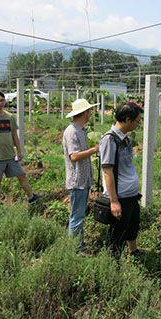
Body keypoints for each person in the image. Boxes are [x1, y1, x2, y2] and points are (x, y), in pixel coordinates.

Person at [99, 101, 143, 258]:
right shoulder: (109, 140)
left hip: (130, 194)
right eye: (138, 120)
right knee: (118, 232)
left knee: (133, 225)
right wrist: (113, 201)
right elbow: (107, 171)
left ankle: (133, 251)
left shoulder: (126, 139)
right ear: (127, 119)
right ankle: (112, 263)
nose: (139, 123)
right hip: (120, 196)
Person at [0, 91, 39, 203]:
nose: (0, 102)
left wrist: (19, 151)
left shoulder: (10, 117)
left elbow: (14, 136)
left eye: (2, 100)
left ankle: (31, 197)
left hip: (10, 155)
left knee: (21, 175)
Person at [62, 98, 99, 251]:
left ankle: (79, 244)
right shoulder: (72, 132)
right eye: (89, 111)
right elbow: (74, 156)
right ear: (84, 113)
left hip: (83, 179)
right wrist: (95, 149)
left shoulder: (80, 130)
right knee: (76, 217)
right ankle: (75, 249)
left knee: (79, 215)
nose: (90, 113)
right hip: (77, 181)